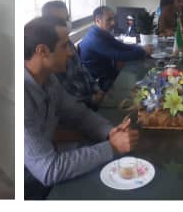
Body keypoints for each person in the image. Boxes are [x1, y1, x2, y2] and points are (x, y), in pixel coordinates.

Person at [24, 17, 139, 198]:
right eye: (64, 46)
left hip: (49, 164)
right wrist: (112, 147)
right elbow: (48, 169)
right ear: (42, 51)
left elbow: (79, 114)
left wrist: (110, 132)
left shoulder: (50, 80)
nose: (71, 53)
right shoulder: (23, 96)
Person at [40, 1, 104, 108]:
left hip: (92, 97)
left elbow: (81, 68)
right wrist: (91, 99)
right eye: (60, 20)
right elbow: (63, 93)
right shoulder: (47, 55)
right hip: (78, 107)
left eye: (67, 18)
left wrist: (97, 89)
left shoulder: (67, 43)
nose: (65, 23)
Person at [78, 6, 149, 91]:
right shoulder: (95, 39)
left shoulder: (100, 32)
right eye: (108, 20)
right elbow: (119, 55)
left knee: (141, 73)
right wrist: (143, 52)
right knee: (141, 81)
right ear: (98, 21)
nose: (113, 23)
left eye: (113, 19)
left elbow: (121, 45)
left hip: (108, 72)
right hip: (100, 82)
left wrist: (140, 48)